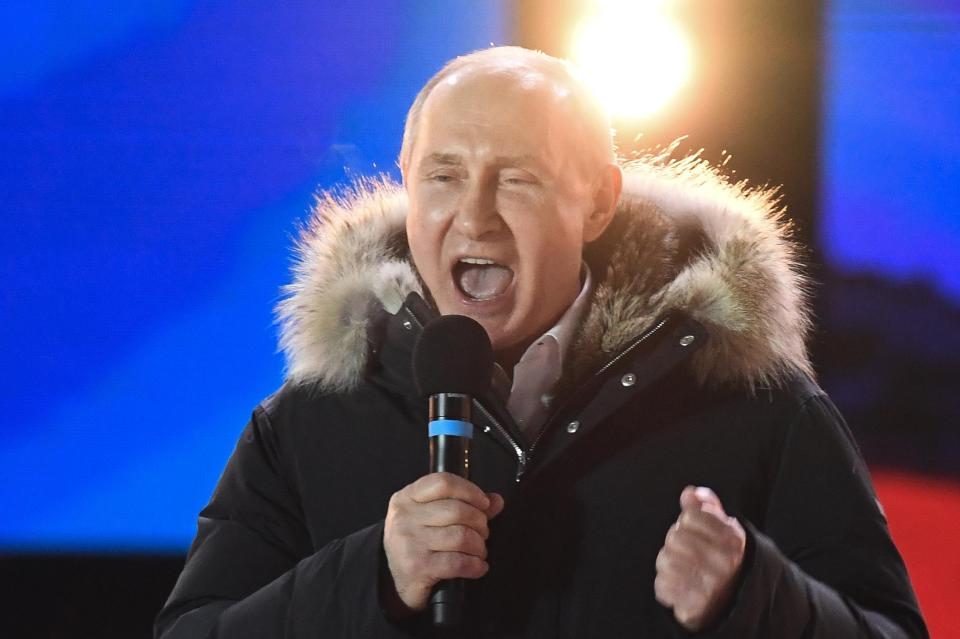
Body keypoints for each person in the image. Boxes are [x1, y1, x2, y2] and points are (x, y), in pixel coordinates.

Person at [155, 46, 927, 638]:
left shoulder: (757, 404)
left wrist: (757, 596)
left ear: (596, 202)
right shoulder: (307, 420)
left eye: (516, 178)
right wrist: (370, 575)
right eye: (444, 175)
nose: (475, 216)